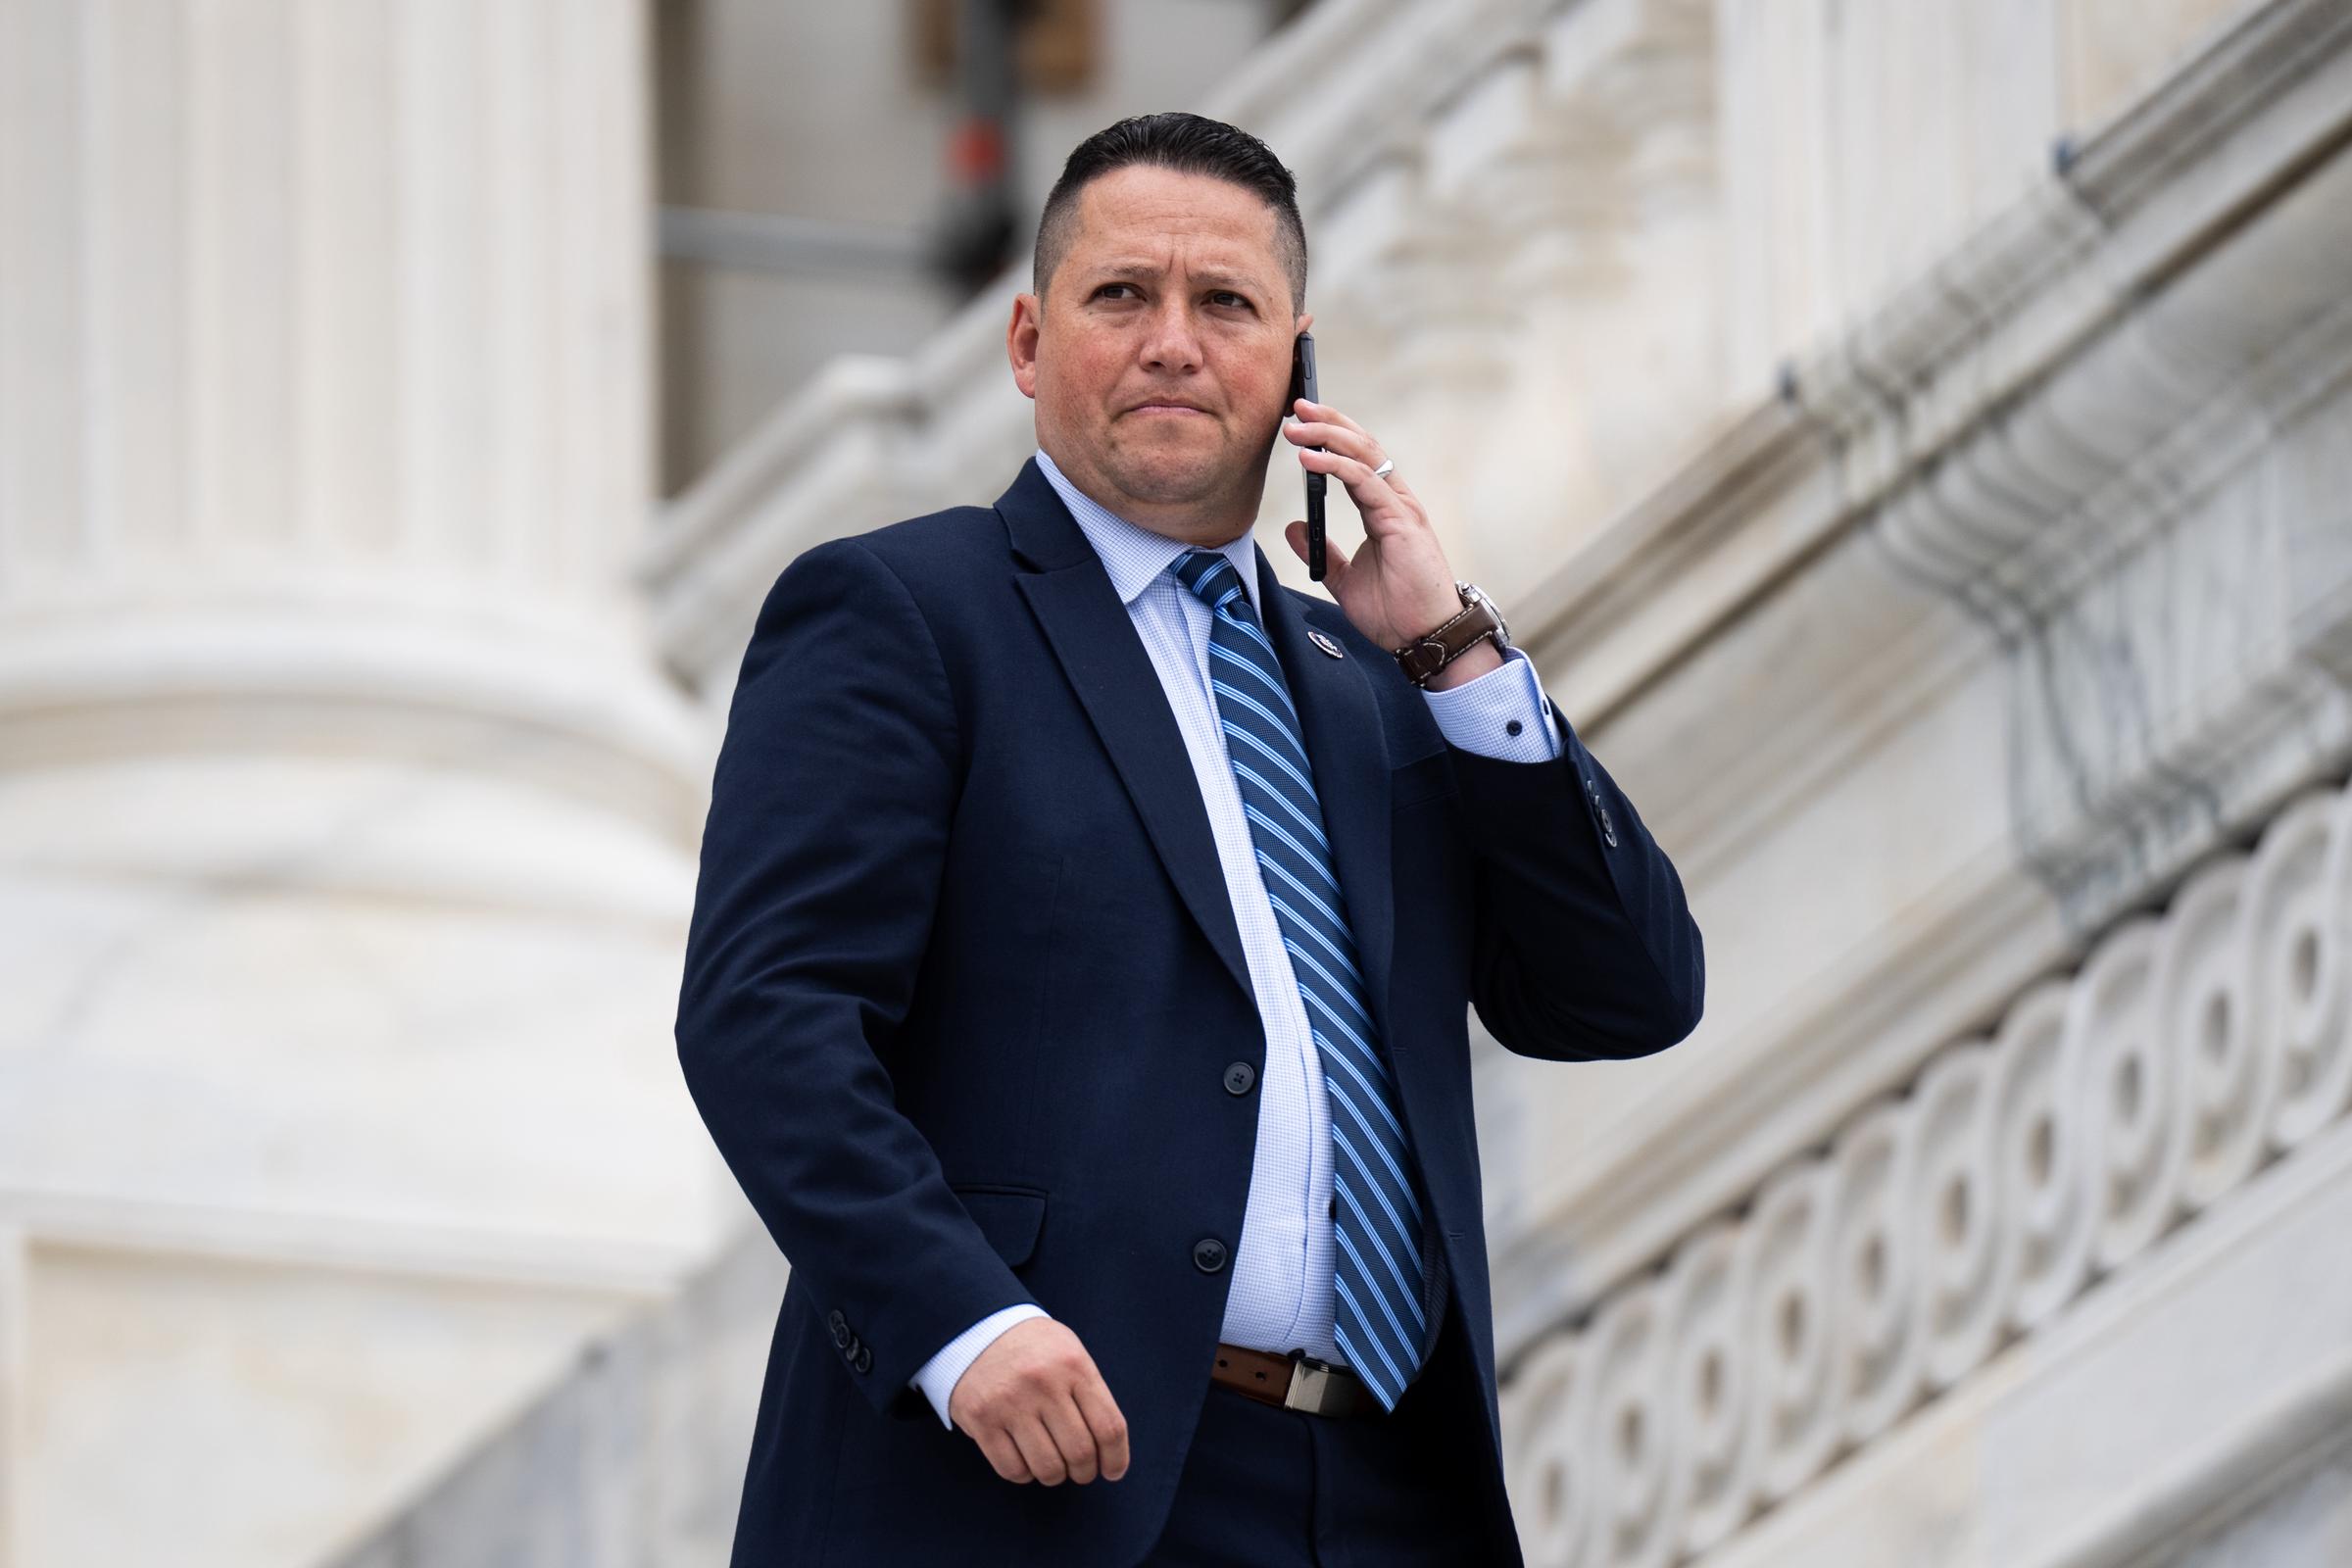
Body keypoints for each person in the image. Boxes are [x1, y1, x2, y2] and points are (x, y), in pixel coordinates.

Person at [675, 111, 1703, 1568]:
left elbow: (1628, 994)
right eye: (1121, 297)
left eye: (1225, 304)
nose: (1173, 341)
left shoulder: (1379, 683)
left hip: (1393, 1493)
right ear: (1029, 344)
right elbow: (766, 1019)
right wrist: (962, 1321)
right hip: (1033, 1477)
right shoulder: (905, 614)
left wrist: (1462, 658)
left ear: (1298, 363)